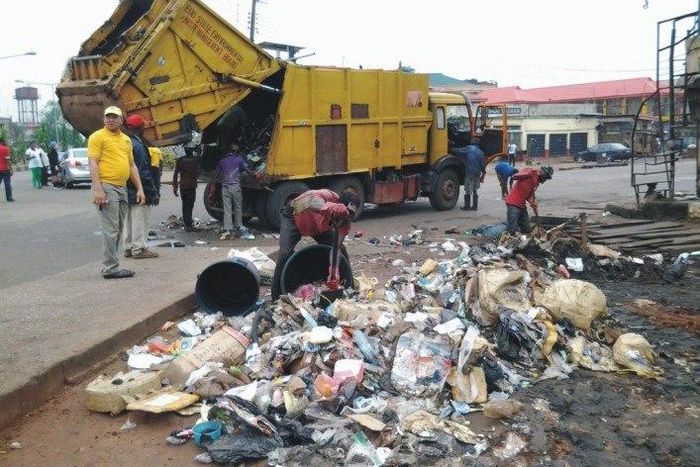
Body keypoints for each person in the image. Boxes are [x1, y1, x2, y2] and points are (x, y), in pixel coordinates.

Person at [88, 106, 145, 279]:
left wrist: (140, 188)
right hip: (107, 186)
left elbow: (131, 165)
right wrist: (98, 189)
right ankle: (110, 267)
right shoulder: (97, 137)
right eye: (108, 117)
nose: (111, 120)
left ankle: (111, 264)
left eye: (114, 117)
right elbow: (93, 163)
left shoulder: (126, 140)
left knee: (119, 228)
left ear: (121, 120)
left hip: (122, 187)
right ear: (104, 119)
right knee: (110, 230)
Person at [271, 189, 360, 300]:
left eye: (349, 216)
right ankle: (275, 296)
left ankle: (348, 288)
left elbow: (336, 249)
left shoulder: (344, 222)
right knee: (285, 253)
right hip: (294, 216)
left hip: (317, 227)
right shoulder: (327, 196)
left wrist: (334, 270)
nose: (344, 218)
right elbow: (311, 202)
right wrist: (330, 207)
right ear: (339, 204)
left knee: (342, 250)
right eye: (345, 213)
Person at [122, 114, 159, 259]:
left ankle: (128, 247)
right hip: (139, 188)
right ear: (141, 127)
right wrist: (152, 191)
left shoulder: (125, 143)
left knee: (128, 219)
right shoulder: (138, 145)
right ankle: (139, 248)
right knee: (140, 218)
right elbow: (143, 171)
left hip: (126, 187)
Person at [209, 142, 249, 239]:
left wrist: (213, 187)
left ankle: (228, 228)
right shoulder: (239, 160)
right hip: (235, 187)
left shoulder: (222, 162)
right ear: (237, 152)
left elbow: (216, 175)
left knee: (227, 208)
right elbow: (247, 171)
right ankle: (239, 225)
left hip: (225, 187)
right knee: (238, 207)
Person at [504, 165, 553, 234]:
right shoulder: (531, 172)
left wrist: (533, 203)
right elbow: (515, 176)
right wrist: (528, 172)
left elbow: (530, 195)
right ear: (542, 173)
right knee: (512, 228)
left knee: (526, 228)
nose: (545, 180)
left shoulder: (536, 183)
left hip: (521, 204)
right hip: (513, 203)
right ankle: (506, 241)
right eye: (546, 177)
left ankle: (524, 240)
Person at [455, 138, 486, 211]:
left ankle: (467, 206)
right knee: (475, 189)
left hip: (469, 172)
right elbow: (482, 165)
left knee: (468, 189)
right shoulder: (481, 152)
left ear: (471, 142)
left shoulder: (469, 148)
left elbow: (458, 151)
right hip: (477, 173)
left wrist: (450, 148)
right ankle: (475, 207)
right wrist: (483, 175)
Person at [173, 149, 199, 232]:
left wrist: (175, 187)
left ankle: (186, 222)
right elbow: (198, 172)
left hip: (183, 186)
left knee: (185, 205)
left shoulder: (180, 160)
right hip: (191, 186)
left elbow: (175, 174)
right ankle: (189, 225)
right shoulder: (195, 160)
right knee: (190, 205)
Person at [0, 137, 14, 202]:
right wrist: (11, 169)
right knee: (7, 183)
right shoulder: (6, 149)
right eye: (5, 142)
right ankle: (9, 198)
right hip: (5, 169)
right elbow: (8, 160)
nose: (6, 143)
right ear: (2, 142)